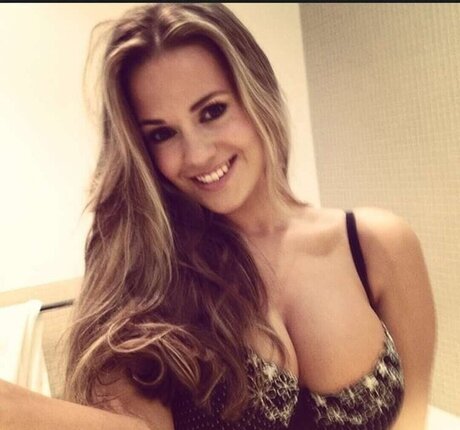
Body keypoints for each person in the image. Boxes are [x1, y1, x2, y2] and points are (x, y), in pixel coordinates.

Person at [0, 3, 436, 430]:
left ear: (257, 93)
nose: (197, 154)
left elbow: (413, 416)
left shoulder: (378, 246)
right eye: (163, 133)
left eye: (212, 111)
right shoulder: (147, 276)